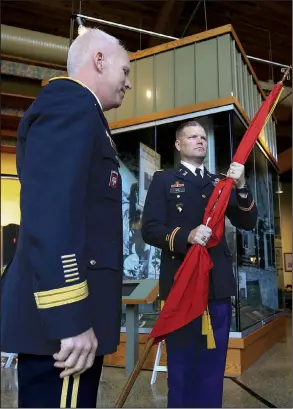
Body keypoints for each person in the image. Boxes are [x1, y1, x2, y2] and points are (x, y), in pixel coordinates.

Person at [1, 28, 131, 408]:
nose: (127, 81)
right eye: (124, 70)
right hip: (64, 332)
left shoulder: (84, 113)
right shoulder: (70, 105)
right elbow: (51, 213)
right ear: (99, 60)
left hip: (68, 326)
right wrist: (70, 317)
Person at [141, 120, 258, 408]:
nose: (200, 141)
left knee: (212, 367)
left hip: (216, 285)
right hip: (182, 282)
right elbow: (151, 229)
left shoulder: (221, 183)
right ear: (179, 145)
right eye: (192, 136)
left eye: (203, 137)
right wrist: (187, 236)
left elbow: (247, 222)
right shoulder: (164, 180)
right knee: (180, 365)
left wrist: (241, 186)